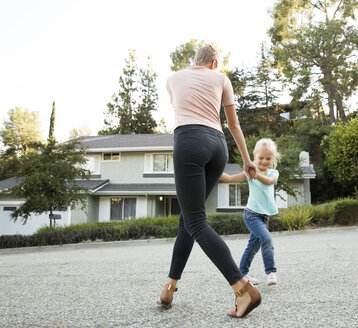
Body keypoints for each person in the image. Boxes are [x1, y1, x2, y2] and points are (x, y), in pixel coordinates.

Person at [157, 44, 261, 318]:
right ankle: (170, 285)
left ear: (195, 61)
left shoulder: (172, 79)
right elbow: (233, 124)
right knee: (188, 219)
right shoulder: (222, 78)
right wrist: (247, 160)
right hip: (218, 147)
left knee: (195, 221)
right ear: (215, 62)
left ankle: (242, 287)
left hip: (190, 141)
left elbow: (181, 104)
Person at [220, 138, 280, 286]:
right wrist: (214, 170)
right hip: (251, 214)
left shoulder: (273, 172)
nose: (264, 161)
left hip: (264, 217)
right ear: (254, 156)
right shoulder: (248, 173)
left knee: (253, 246)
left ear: (272, 159)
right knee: (266, 239)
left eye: (268, 158)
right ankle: (271, 272)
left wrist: (255, 174)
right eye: (260, 158)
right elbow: (230, 178)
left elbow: (269, 181)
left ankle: (242, 275)